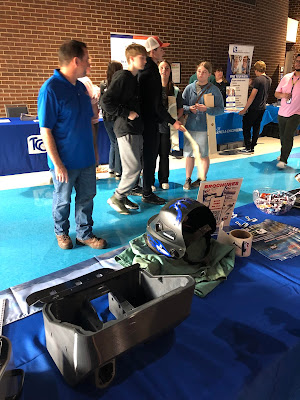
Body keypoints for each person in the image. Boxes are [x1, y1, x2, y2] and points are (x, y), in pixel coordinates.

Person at [38, 39, 107, 250]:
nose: (90, 64)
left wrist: (94, 153)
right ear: (76, 61)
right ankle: (62, 233)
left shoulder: (80, 88)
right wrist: (57, 164)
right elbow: (46, 130)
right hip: (65, 162)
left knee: (87, 198)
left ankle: (84, 234)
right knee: (63, 200)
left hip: (85, 158)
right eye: (87, 60)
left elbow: (90, 121)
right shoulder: (51, 89)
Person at [136, 36, 184, 205]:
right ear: (152, 51)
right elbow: (156, 105)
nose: (163, 51)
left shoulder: (142, 71)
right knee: (149, 157)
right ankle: (147, 192)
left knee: (146, 157)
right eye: (161, 48)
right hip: (150, 123)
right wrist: (173, 121)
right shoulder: (152, 72)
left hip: (143, 122)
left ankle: (144, 187)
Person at [101, 43, 147, 215]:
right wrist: (127, 113)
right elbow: (105, 101)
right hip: (125, 128)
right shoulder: (122, 76)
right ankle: (117, 197)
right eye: (141, 58)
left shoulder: (134, 79)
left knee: (135, 166)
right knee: (133, 167)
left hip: (134, 129)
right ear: (131, 59)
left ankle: (124, 195)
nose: (144, 61)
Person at [182, 61, 224, 190]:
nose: (201, 74)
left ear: (209, 74)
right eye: (199, 71)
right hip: (190, 126)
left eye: (204, 72)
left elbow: (220, 109)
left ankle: (202, 179)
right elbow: (181, 106)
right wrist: (189, 108)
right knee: (189, 154)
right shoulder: (189, 88)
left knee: (204, 154)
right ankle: (188, 179)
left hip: (205, 128)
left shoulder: (214, 90)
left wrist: (207, 109)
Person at [157, 60, 183, 190]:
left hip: (167, 128)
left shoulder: (175, 90)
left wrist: (175, 119)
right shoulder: (152, 88)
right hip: (153, 128)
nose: (164, 70)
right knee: (150, 156)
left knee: (164, 155)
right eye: (162, 67)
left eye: (167, 68)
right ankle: (150, 181)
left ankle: (164, 179)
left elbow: (180, 109)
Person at [238, 61, 272, 153]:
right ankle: (253, 146)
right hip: (262, 107)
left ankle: (248, 146)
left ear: (256, 70)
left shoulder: (258, 80)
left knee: (246, 126)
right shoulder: (269, 79)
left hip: (254, 107)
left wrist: (244, 109)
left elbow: (252, 96)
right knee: (257, 127)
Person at [275, 54, 300, 169]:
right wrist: (283, 95)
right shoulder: (286, 77)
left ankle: (284, 160)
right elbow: (276, 94)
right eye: (297, 61)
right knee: (282, 136)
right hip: (282, 112)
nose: (297, 63)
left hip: (296, 113)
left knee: (288, 135)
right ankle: (283, 154)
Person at [99, 61, 123, 179]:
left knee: (113, 143)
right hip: (115, 117)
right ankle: (119, 170)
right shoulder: (117, 84)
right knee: (117, 143)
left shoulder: (103, 84)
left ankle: (111, 167)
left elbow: (101, 102)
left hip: (106, 118)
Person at [78, 67, 100, 167]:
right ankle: (93, 167)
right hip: (90, 121)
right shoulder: (85, 81)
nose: (89, 64)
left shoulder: (81, 81)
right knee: (91, 145)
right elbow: (93, 100)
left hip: (88, 120)